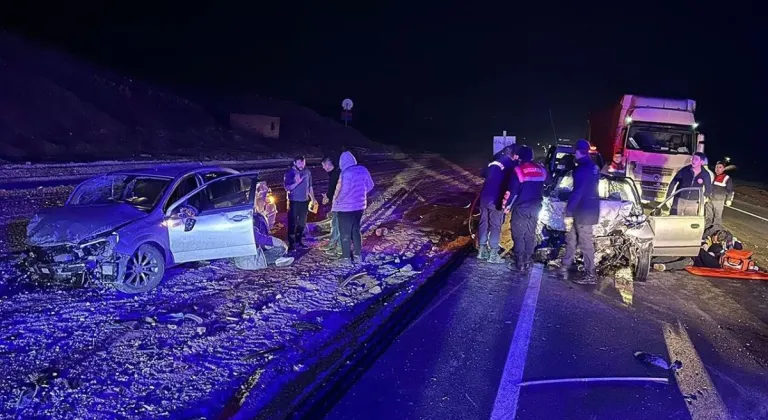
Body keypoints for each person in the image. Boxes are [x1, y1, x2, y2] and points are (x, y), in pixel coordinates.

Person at [558, 139, 600, 284]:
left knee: (585, 243)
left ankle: (590, 274)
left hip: (583, 212)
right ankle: (565, 265)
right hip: (586, 210)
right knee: (571, 238)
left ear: (577, 152)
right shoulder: (593, 166)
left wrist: (568, 211)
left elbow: (578, 192)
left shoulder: (582, 169)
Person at [505, 145, 546, 272]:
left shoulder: (518, 170)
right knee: (530, 233)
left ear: (520, 157)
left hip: (521, 207)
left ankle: (520, 262)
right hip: (536, 207)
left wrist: (506, 207)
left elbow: (513, 192)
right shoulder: (541, 169)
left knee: (518, 234)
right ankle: (528, 260)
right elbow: (549, 182)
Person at [477, 145, 518, 264]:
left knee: (483, 223)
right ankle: (493, 254)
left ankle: (482, 250)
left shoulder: (493, 163)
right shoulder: (511, 165)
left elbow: (483, 173)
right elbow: (513, 184)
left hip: (484, 197)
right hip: (496, 199)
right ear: (514, 155)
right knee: (495, 225)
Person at [332, 151, 374, 264]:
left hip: (345, 208)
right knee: (356, 230)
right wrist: (360, 194)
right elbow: (370, 185)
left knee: (345, 233)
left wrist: (338, 200)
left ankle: (346, 258)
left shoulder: (346, 173)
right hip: (359, 207)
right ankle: (357, 255)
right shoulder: (363, 170)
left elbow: (344, 191)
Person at [284, 156, 317, 251]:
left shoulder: (307, 172)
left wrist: (313, 198)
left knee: (302, 222)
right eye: (299, 163)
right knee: (292, 222)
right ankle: (291, 243)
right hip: (294, 201)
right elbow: (287, 188)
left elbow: (310, 186)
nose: (302, 165)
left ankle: (299, 241)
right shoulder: (289, 172)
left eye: (303, 163)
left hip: (304, 201)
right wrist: (297, 183)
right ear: (295, 163)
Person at [667, 152, 711, 216]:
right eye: (693, 158)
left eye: (696, 159)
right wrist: (668, 196)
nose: (693, 161)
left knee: (689, 220)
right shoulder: (685, 170)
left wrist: (705, 197)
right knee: (674, 218)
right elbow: (673, 182)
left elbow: (708, 188)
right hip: (680, 199)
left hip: (693, 201)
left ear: (701, 162)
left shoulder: (705, 174)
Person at [321, 156, 342, 255]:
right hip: (337, 203)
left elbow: (334, 189)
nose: (323, 168)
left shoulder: (335, 174)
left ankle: (336, 245)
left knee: (337, 224)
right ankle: (333, 243)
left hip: (339, 204)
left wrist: (327, 197)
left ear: (327, 164)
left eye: (323, 165)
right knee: (335, 223)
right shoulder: (335, 173)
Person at [710, 160, 735, 227]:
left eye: (720, 167)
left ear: (723, 169)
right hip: (709, 200)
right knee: (708, 217)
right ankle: (707, 232)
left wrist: (729, 200)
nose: (717, 169)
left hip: (719, 201)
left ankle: (715, 234)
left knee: (717, 218)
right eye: (716, 167)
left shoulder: (727, 178)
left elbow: (731, 190)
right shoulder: (712, 176)